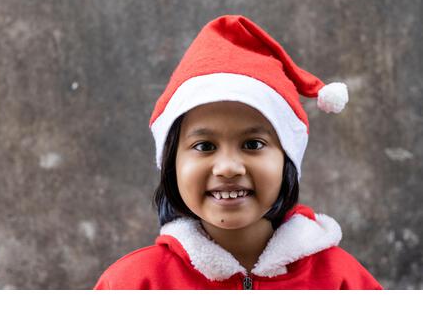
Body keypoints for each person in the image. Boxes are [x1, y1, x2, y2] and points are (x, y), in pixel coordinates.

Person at [93, 15, 382, 290]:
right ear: (171, 164)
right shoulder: (130, 285)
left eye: (253, 144)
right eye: (204, 146)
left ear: (288, 161)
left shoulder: (343, 283)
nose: (228, 167)